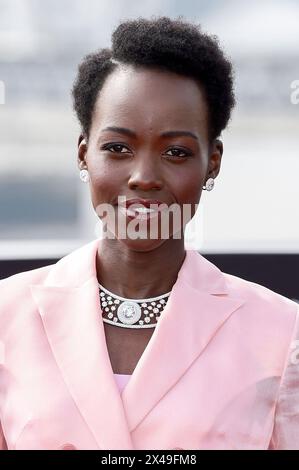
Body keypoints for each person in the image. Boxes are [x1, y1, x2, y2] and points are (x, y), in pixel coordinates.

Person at [0, 16, 298, 451]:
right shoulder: (6, 318)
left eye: (176, 152)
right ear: (84, 154)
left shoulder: (281, 335)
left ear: (211, 162)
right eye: (118, 148)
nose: (143, 176)